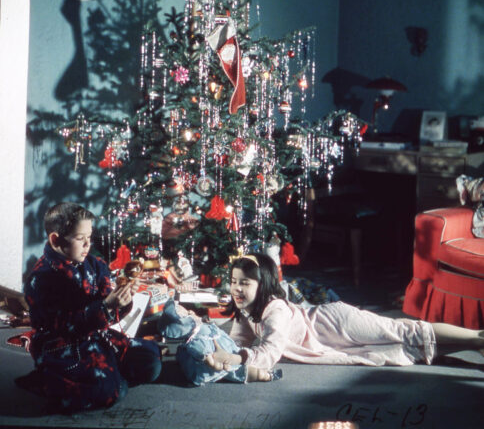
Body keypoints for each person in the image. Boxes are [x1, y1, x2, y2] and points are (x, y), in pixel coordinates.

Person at [205, 252, 484, 373]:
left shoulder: (274, 309)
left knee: (404, 331)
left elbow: (268, 354)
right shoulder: (244, 310)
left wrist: (235, 358)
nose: (236, 289)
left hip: (336, 323)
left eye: (245, 282)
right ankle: (475, 343)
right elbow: (238, 342)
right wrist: (220, 351)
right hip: (327, 338)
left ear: (262, 284)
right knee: (400, 349)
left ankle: (478, 336)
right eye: (233, 281)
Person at [18, 203, 162, 412]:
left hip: (98, 339)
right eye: (80, 238)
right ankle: (49, 379)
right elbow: (62, 326)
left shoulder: (95, 265)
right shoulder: (42, 279)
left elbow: (108, 310)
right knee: (111, 391)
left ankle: (107, 373)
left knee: (151, 362)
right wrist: (104, 306)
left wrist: (120, 301)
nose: (87, 244)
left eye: (89, 237)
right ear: (56, 240)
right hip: (64, 346)